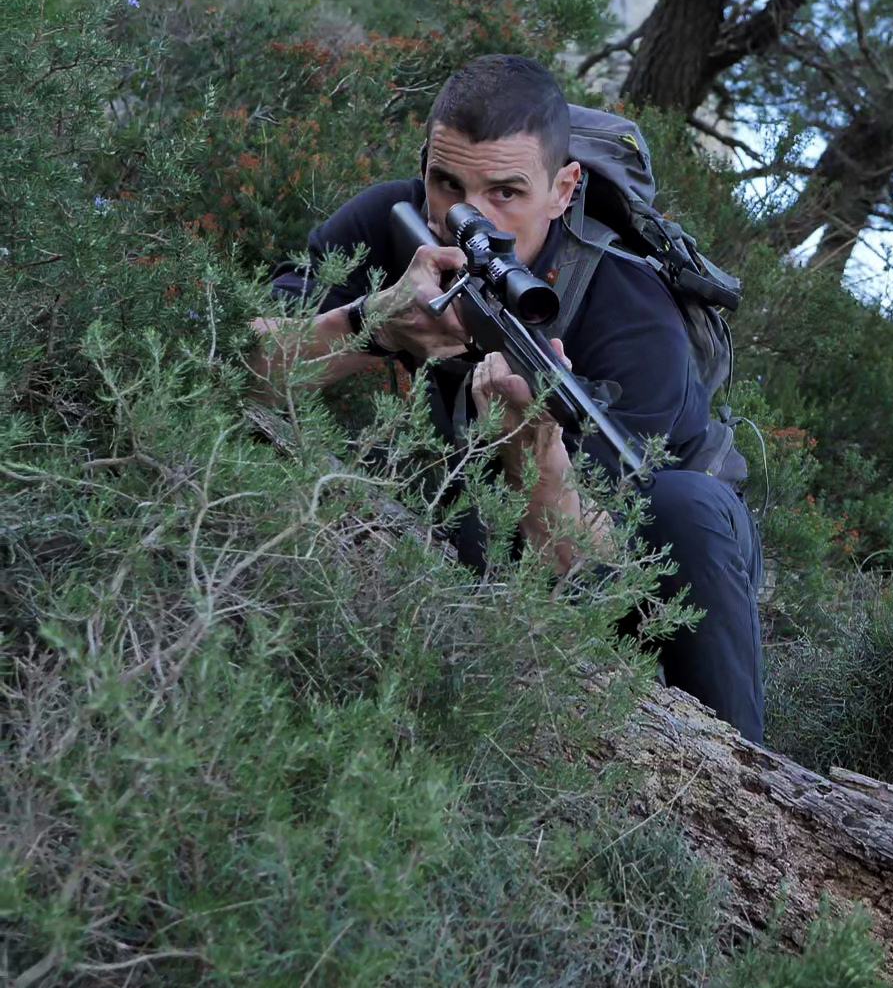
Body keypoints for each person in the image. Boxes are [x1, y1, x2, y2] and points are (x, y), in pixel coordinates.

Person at [246, 54, 764, 742]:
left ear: (563, 188)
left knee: (687, 508)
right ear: (425, 164)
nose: (469, 218)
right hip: (463, 524)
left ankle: (742, 769)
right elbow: (239, 364)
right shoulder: (387, 221)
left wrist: (533, 452)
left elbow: (593, 572)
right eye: (447, 184)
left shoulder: (632, 314)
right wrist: (371, 324)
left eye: (507, 193)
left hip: (654, 555)